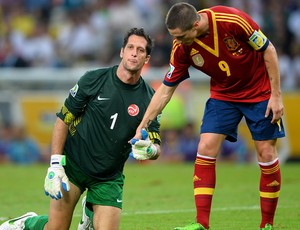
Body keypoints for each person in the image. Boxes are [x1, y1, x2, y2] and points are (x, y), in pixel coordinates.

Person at [133, 2, 285, 230]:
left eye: (182, 36)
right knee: (204, 147)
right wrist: (142, 125)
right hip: (224, 95)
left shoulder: (232, 20)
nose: (179, 41)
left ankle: (267, 224)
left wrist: (276, 96)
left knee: (265, 152)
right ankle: (202, 223)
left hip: (259, 92)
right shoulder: (181, 47)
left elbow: (268, 50)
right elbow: (165, 90)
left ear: (196, 24)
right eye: (175, 36)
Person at [0, 27, 161, 230]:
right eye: (130, 47)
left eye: (140, 50)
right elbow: (63, 120)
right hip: (74, 166)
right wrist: (55, 165)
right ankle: (27, 222)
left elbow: (155, 144)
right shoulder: (93, 79)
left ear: (146, 59)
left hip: (108, 177)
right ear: (122, 51)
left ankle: (90, 211)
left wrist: (150, 149)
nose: (134, 53)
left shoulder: (150, 99)